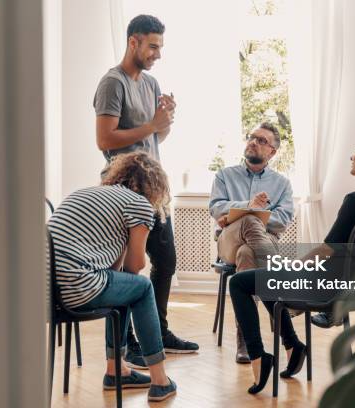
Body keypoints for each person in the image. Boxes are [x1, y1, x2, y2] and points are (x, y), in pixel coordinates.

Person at [229, 132, 355, 393]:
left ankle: (258, 356)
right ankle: (293, 345)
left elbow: (325, 250)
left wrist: (292, 267)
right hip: (349, 286)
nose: (353, 155)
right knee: (265, 277)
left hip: (323, 286)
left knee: (239, 282)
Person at [93, 14, 199, 368]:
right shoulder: (113, 83)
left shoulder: (152, 84)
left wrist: (163, 123)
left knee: (165, 262)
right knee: (127, 270)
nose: (157, 53)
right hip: (123, 191)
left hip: (155, 189)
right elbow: (105, 140)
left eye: (160, 47)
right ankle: (130, 344)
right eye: (153, 46)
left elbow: (153, 138)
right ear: (133, 41)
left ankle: (159, 332)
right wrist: (150, 124)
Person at [47, 152, 177, 402]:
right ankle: (160, 380)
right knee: (142, 287)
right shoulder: (138, 204)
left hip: (44, 289)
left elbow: (116, 273)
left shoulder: (82, 193)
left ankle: (116, 370)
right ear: (154, 185)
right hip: (75, 285)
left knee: (125, 285)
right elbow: (136, 265)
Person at [208, 122, 294, 363]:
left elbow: (282, 222)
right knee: (247, 223)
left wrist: (250, 216)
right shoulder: (225, 175)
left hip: (263, 242)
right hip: (228, 241)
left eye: (261, 140)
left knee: (248, 253)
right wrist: (250, 208)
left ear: (272, 152)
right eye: (252, 137)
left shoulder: (282, 183)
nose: (253, 142)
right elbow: (215, 208)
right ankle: (285, 300)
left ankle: (246, 340)